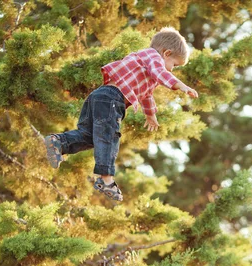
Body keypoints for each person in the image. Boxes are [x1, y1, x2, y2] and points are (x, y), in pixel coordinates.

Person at [44, 27, 198, 202]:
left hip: (99, 97)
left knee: (90, 137)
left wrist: (150, 114)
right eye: (174, 65)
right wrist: (181, 85)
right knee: (109, 136)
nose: (172, 70)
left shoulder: (147, 67)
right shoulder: (152, 57)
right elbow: (160, 73)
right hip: (111, 99)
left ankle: (58, 142)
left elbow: (146, 95)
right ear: (166, 53)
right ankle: (106, 178)